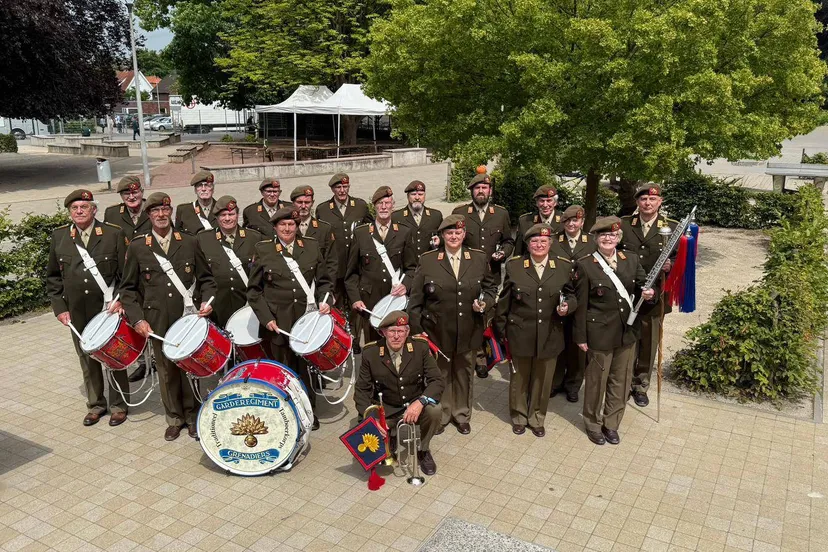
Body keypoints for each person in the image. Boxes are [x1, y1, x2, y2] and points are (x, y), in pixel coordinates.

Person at [120, 192, 216, 441]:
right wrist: (138, 319)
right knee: (166, 371)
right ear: (148, 215)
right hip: (157, 321)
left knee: (190, 368)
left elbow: (207, 279)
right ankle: (174, 418)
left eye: (165, 210)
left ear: (171, 212)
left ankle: (193, 414)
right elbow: (128, 290)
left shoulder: (189, 241)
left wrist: (206, 301)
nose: (161, 215)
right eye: (155, 212)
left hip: (187, 318)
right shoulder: (139, 246)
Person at [46, 190, 130, 427]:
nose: (80, 211)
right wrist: (60, 308)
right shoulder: (60, 237)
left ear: (94, 210)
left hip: (107, 309)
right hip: (77, 310)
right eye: (75, 208)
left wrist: (121, 299)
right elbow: (53, 278)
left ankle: (118, 405)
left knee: (114, 355)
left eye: (84, 207)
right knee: (86, 356)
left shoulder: (113, 234)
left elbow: (127, 276)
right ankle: (96, 405)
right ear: (70, 212)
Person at [247, 206, 334, 430]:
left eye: (292, 225)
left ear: (297, 226)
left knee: (305, 369)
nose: (287, 228)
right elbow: (254, 291)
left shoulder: (311, 247)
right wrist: (266, 319)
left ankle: (309, 412)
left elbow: (324, 281)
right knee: (282, 370)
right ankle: (286, 414)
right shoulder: (264, 249)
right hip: (277, 323)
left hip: (305, 321)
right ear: (275, 227)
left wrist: (326, 300)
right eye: (283, 225)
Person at [409, 215, 497, 435]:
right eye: (449, 233)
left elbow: (490, 288)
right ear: (442, 236)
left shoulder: (477, 258)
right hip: (437, 331)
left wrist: (485, 303)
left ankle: (462, 414)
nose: (454, 236)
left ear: (464, 234)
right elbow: (415, 301)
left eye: (458, 233)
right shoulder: (428, 260)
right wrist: (418, 332)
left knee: (464, 373)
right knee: (440, 374)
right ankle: (442, 414)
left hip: (469, 329)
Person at [574, 216, 654, 445]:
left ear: (618, 238)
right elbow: (580, 305)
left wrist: (650, 293)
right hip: (598, 333)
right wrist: (580, 336)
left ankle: (611, 423)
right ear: (596, 239)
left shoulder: (630, 259)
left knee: (621, 380)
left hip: (627, 331)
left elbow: (643, 285)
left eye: (612, 235)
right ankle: (592, 422)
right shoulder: (585, 263)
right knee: (597, 381)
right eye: (603, 235)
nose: (608, 238)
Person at [495, 224, 576, 437]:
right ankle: (519, 416)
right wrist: (501, 329)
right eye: (534, 241)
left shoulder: (563, 266)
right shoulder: (515, 266)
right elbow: (505, 301)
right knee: (519, 378)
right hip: (520, 332)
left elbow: (571, 295)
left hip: (551, 333)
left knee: (543, 379)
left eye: (543, 241)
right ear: (527, 244)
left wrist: (568, 306)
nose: (539, 245)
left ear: (550, 244)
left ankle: (537, 417)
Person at [354, 311, 444, 475]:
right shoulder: (371, 353)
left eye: (401, 331)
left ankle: (423, 450)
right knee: (373, 448)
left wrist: (421, 402)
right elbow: (361, 390)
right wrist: (371, 419)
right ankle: (391, 438)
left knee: (435, 410)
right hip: (387, 407)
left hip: (414, 403)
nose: (396, 336)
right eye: (392, 331)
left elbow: (437, 380)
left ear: (407, 332)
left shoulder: (420, 348)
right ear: (383, 332)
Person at [619, 185, 678, 407]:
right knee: (627, 341)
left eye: (652, 199)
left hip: (656, 295)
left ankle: (640, 384)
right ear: (637, 202)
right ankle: (623, 383)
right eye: (643, 198)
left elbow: (680, 263)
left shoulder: (671, 228)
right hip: (629, 293)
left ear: (660, 201)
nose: (648, 203)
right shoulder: (625, 224)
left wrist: (670, 266)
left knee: (649, 342)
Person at [451, 172, 513, 378]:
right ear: (471, 191)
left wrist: (503, 253)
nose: (481, 191)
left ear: (490, 191)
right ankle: (476, 357)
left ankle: (488, 354)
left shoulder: (501, 214)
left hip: (491, 275)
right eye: (477, 188)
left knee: (486, 316)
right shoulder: (460, 212)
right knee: (470, 315)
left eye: (484, 188)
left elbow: (508, 241)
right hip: (467, 275)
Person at [346, 186, 417, 344]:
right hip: (370, 303)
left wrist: (406, 285)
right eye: (380, 203)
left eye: (387, 203)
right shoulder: (361, 233)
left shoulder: (404, 232)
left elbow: (412, 268)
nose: (384, 207)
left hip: (396, 301)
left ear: (393, 205)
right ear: (374, 207)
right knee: (373, 346)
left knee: (397, 343)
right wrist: (355, 299)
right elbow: (351, 273)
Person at [103, 175, 153, 383]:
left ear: (142, 192)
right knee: (132, 319)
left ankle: (158, 359)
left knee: (154, 316)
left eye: (135, 192)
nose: (132, 196)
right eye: (126, 194)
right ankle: (143, 362)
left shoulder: (154, 208)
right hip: (126, 275)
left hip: (151, 274)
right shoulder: (113, 213)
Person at [315, 173, 372, 350]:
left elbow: (369, 229)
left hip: (355, 267)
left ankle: (355, 339)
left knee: (356, 304)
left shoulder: (360, 206)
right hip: (335, 267)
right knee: (337, 305)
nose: (342, 190)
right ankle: (340, 341)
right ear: (332, 189)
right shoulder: (323, 209)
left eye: (345, 187)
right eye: (338, 187)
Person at [549, 205, 596, 402]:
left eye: (575, 220)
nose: (571, 224)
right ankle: (555, 381)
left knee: (578, 342)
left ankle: (573, 384)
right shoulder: (554, 241)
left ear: (582, 222)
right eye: (567, 221)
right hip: (559, 297)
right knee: (558, 341)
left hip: (583, 298)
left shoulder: (591, 241)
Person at [196, 196, 261, 327]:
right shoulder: (203, 239)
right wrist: (205, 301)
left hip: (246, 304)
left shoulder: (253, 237)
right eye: (223, 215)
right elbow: (202, 275)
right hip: (217, 305)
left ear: (237, 215)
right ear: (216, 217)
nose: (227, 218)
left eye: (231, 214)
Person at [290, 185, 337, 286]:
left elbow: (331, 263)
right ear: (293, 203)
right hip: (292, 287)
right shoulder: (286, 229)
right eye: (299, 202)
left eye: (307, 202)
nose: (303, 206)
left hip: (316, 287)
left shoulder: (324, 229)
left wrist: (328, 290)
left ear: (313, 203)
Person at [391, 180, 443, 257]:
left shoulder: (435, 216)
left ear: (425, 196)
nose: (417, 197)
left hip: (430, 263)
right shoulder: (396, 217)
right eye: (413, 194)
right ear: (408, 196)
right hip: (406, 265)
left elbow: (444, 237)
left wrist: (439, 241)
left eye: (420, 194)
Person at [515, 185, 562, 256]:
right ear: (536, 203)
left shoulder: (564, 221)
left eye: (549, 201)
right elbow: (518, 252)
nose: (545, 205)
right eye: (542, 201)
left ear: (555, 203)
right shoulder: (525, 221)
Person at [104, 176, 151, 240]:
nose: (131, 197)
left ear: (142, 192)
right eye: (127, 194)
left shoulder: (155, 210)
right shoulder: (112, 214)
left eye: (134, 193)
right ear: (121, 195)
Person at [175, 170, 218, 235]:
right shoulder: (184, 211)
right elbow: (178, 237)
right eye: (200, 185)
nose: (203, 189)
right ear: (195, 190)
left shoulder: (222, 208)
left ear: (213, 189)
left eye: (207, 185)